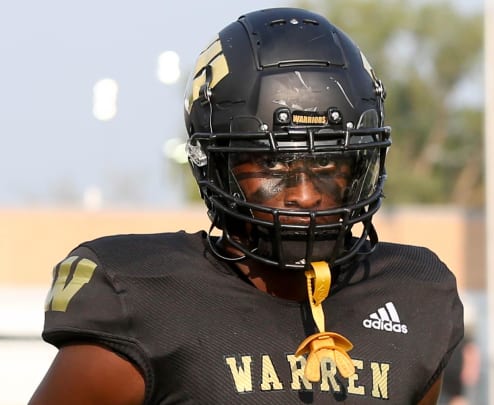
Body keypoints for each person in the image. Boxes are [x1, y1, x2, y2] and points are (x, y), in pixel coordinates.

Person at [29, 7, 463, 405]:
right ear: (216, 165)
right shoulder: (142, 297)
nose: (307, 194)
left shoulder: (414, 295)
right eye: (274, 162)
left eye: (328, 161)